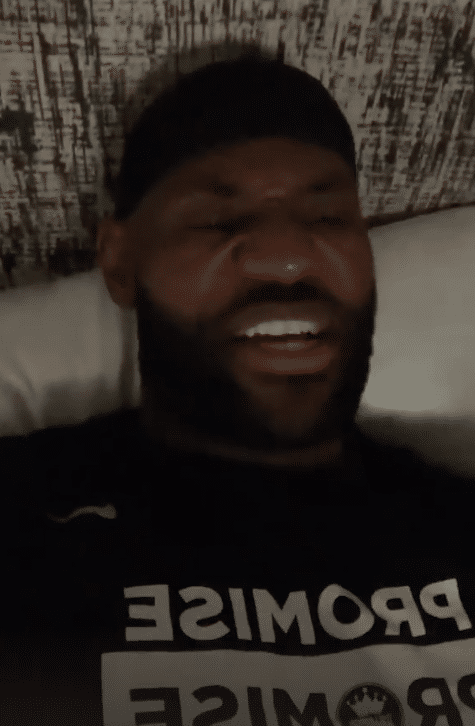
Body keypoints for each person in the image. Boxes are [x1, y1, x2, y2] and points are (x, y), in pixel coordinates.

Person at [2, 42, 475, 726]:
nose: (287, 258)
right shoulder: (24, 523)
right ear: (120, 262)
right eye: (216, 221)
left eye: (327, 217)